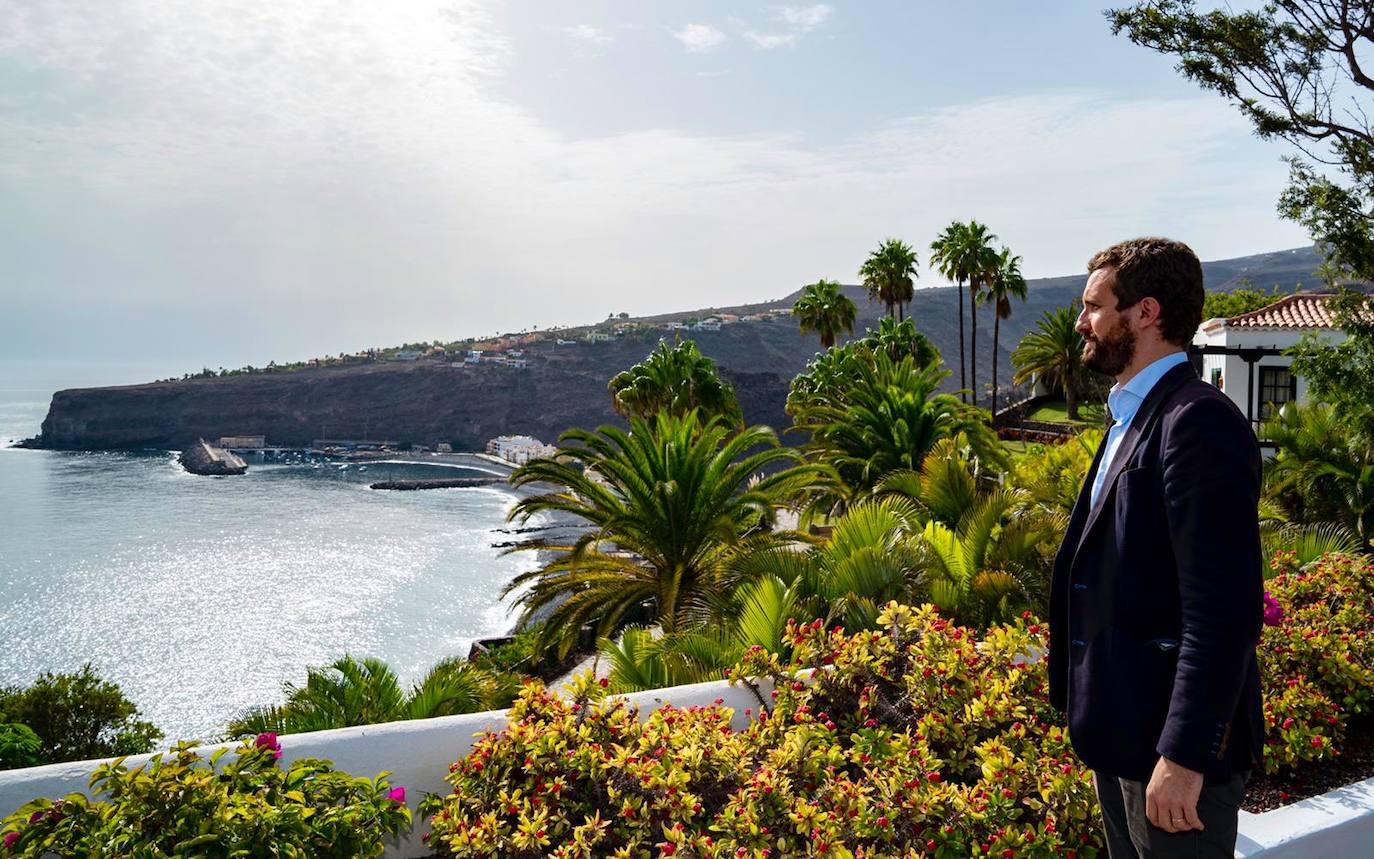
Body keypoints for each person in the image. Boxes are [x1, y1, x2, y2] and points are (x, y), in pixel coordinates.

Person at [1047, 237, 1264, 857]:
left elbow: (1223, 610)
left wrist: (1184, 756)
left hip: (1171, 755)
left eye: (1093, 305)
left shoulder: (1197, 420)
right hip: (1122, 734)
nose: (1081, 322)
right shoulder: (1134, 417)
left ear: (1145, 313)